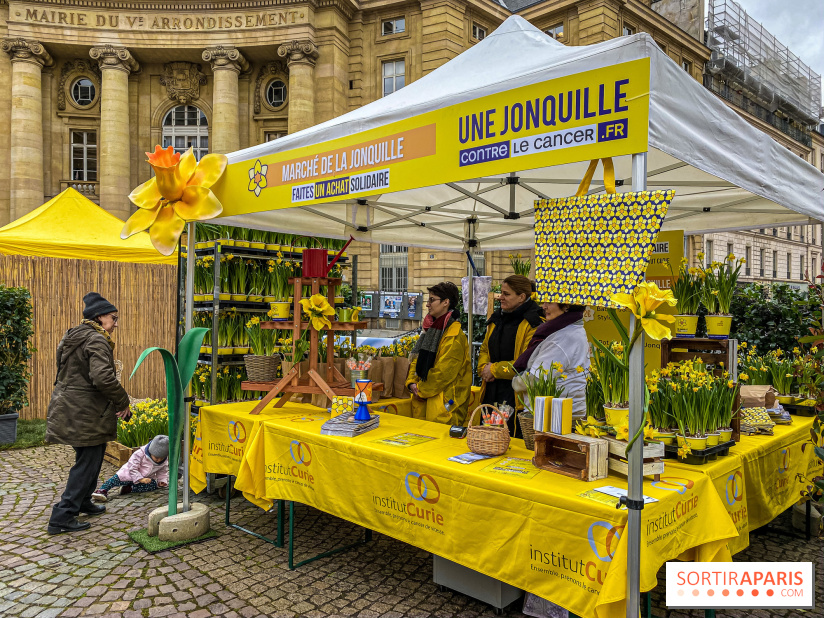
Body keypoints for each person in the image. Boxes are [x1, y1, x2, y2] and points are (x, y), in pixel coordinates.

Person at [46, 292, 131, 535]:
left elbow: (65, 369)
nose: (116, 324)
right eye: (113, 318)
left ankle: (83, 501)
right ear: (100, 317)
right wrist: (122, 400)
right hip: (84, 412)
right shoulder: (96, 340)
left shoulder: (74, 334)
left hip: (70, 406)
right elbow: (102, 377)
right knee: (87, 462)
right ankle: (63, 516)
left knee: (92, 456)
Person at [477, 275, 543, 434]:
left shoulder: (534, 322)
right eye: (501, 293)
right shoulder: (497, 318)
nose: (500, 297)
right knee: (488, 437)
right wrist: (483, 368)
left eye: (506, 294)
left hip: (516, 395)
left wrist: (494, 370)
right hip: (491, 389)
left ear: (521, 297)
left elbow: (526, 361)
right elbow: (485, 348)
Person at [406, 282, 471, 425]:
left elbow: (443, 373)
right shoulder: (430, 330)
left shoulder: (454, 335)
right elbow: (416, 359)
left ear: (446, 303)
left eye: (432, 300)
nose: (428, 304)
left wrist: (420, 389)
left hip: (445, 407)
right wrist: (411, 382)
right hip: (426, 402)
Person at [513, 301, 590, 418]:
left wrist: (517, 381)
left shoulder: (563, 337)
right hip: (565, 411)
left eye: (549, 302)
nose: (544, 306)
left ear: (567, 306)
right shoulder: (573, 329)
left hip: (554, 416)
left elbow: (537, 378)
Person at [92, 435, 170, 502]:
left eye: (161, 458)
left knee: (153, 484)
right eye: (156, 457)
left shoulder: (164, 461)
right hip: (127, 475)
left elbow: (163, 471)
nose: (158, 460)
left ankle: (129, 489)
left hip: (144, 479)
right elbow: (132, 468)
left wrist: (162, 481)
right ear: (151, 451)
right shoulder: (139, 454)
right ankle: (102, 490)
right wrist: (140, 479)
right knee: (114, 480)